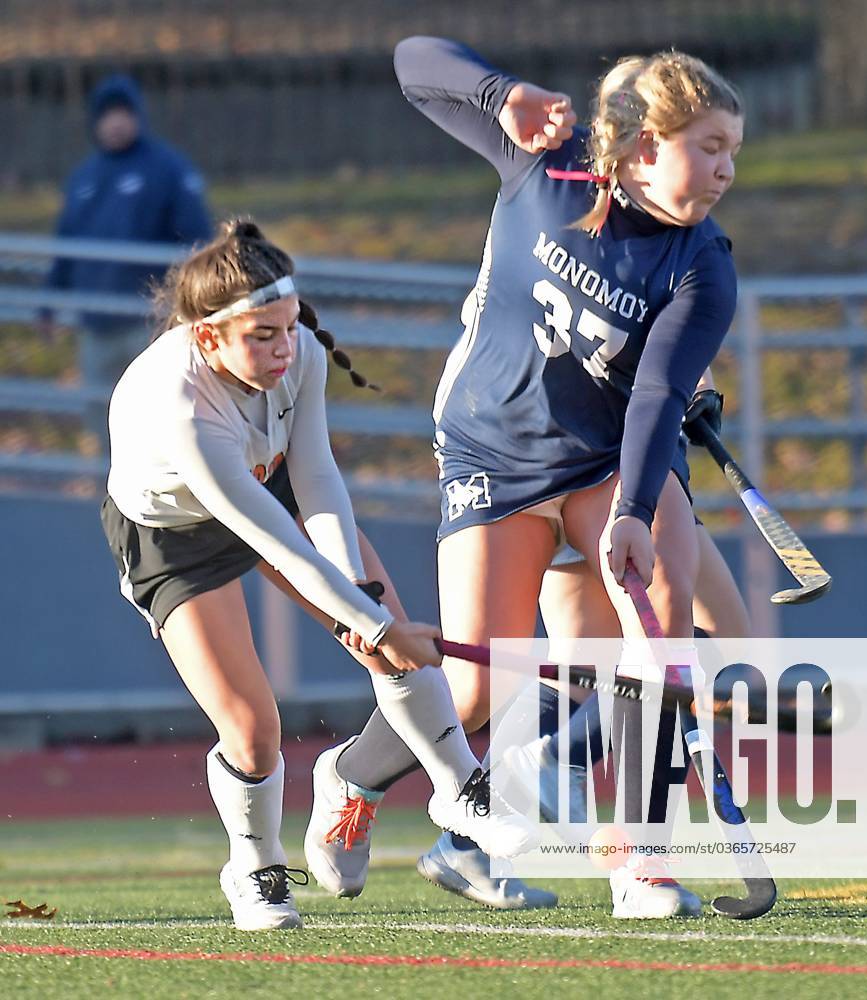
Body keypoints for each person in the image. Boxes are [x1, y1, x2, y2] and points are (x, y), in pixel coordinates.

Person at [305, 36, 745, 919]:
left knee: (660, 632)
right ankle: (349, 779)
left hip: (601, 464)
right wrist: (497, 91)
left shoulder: (704, 264)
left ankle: (640, 861)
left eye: (734, 150)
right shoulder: (548, 161)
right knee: (473, 690)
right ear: (646, 145)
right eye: (712, 147)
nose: (728, 169)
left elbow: (658, 391)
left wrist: (633, 509)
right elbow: (410, 62)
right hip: (492, 453)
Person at [99, 219, 537, 931]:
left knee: (380, 629)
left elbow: (317, 481)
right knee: (252, 728)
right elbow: (269, 538)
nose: (282, 347)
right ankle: (256, 866)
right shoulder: (178, 405)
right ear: (209, 337)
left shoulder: (300, 354)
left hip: (271, 492)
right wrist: (374, 624)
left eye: (288, 326)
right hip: (176, 535)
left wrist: (367, 611)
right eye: (260, 335)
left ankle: (460, 786)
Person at [44, 74, 213, 453]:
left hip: (150, 322)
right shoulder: (84, 178)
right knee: (101, 413)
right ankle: (114, 496)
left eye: (124, 113)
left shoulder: (167, 169)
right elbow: (66, 245)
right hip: (96, 324)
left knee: (157, 412)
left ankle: (163, 498)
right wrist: (48, 304)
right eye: (107, 114)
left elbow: (198, 241)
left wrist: (196, 303)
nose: (116, 122)